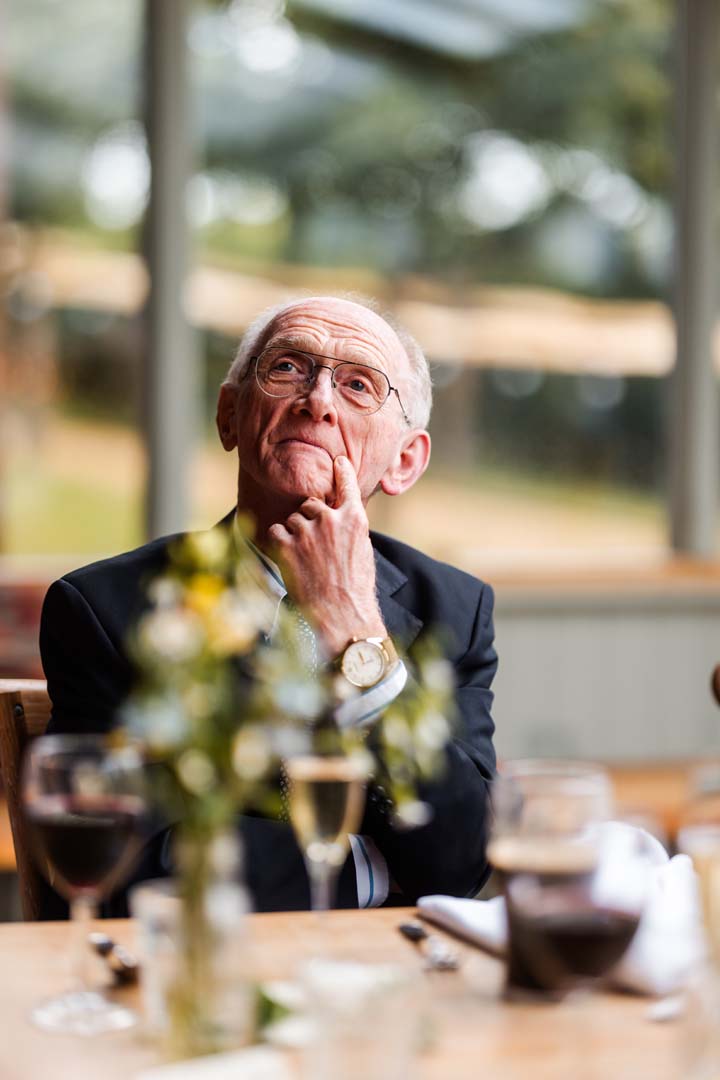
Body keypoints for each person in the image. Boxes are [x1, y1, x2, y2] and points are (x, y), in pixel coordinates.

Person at [40, 295, 497, 914]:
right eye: (288, 368)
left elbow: (459, 861)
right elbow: (127, 870)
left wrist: (354, 625)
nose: (319, 401)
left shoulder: (455, 609)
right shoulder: (103, 610)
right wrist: (368, 867)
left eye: (359, 385)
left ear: (405, 461)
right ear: (230, 415)